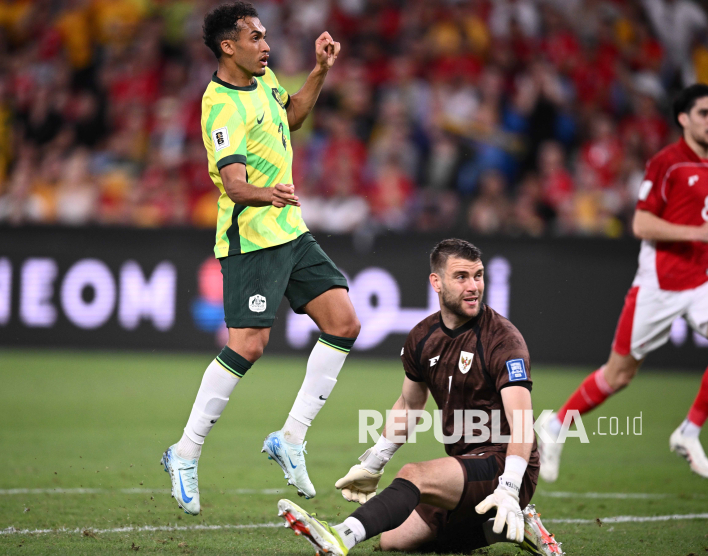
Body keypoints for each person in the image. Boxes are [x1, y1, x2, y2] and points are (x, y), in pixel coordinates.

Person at [161, 2, 361, 515]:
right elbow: (231, 184)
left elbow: (291, 116)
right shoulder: (219, 105)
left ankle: (290, 438)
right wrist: (267, 192)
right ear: (228, 46)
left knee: (344, 322)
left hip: (289, 230)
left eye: (265, 36)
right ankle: (185, 452)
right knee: (248, 347)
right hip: (251, 238)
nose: (266, 45)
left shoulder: (266, 78)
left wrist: (319, 71)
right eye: (254, 37)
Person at [276, 239, 563, 555]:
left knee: (414, 475)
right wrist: (375, 460)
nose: (474, 286)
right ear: (436, 282)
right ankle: (509, 528)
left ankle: (340, 537)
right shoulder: (423, 337)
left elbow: (522, 422)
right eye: (462, 276)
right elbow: (410, 405)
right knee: (394, 541)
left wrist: (509, 487)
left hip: (505, 462)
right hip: (463, 463)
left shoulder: (504, 340)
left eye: (478, 275)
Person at [539, 84, 708, 482]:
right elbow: (641, 223)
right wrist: (696, 235)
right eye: (705, 113)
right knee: (619, 375)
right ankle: (554, 426)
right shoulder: (665, 163)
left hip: (704, 277)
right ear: (684, 119)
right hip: (661, 282)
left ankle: (689, 432)